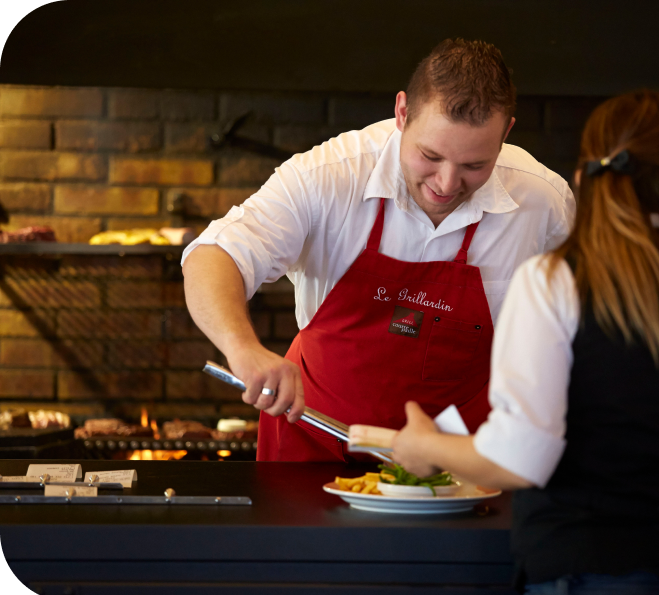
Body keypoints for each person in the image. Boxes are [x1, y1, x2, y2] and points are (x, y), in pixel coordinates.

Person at [391, 89, 659, 595]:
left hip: (585, 571)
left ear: (582, 181)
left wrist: (422, 447)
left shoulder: (555, 280)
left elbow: (520, 457)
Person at [182, 39, 575, 461]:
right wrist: (243, 349)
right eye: (430, 155)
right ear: (402, 113)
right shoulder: (328, 176)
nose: (445, 184)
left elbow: (577, 332)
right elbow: (214, 256)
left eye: (474, 166)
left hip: (459, 462)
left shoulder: (543, 204)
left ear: (506, 133)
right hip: (315, 440)